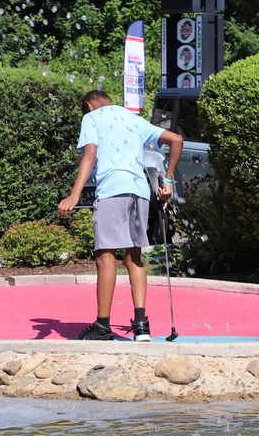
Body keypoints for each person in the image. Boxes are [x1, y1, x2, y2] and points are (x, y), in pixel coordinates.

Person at [57, 90, 183, 340]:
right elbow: (176, 140)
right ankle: (141, 326)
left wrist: (73, 195)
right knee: (133, 256)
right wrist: (167, 181)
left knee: (105, 257)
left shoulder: (92, 118)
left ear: (88, 106)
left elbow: (89, 155)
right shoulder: (131, 117)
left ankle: (103, 326)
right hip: (139, 192)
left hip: (113, 191)